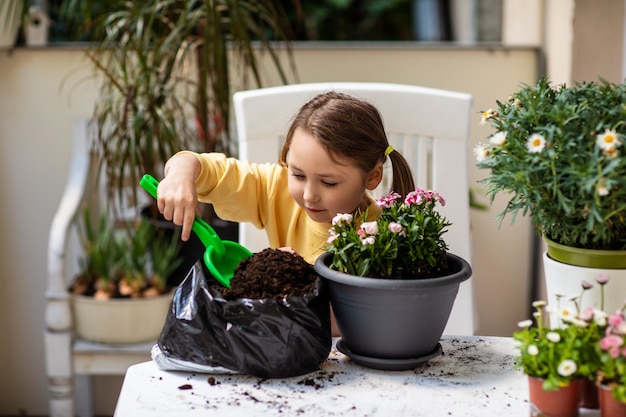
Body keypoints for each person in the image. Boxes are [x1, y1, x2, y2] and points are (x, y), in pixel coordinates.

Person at [156, 91, 416, 266]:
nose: (309, 194)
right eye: (298, 175)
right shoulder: (274, 188)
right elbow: (208, 170)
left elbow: (348, 320)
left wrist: (287, 274)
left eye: (328, 182)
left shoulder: (380, 238)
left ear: (372, 177)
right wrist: (181, 174)